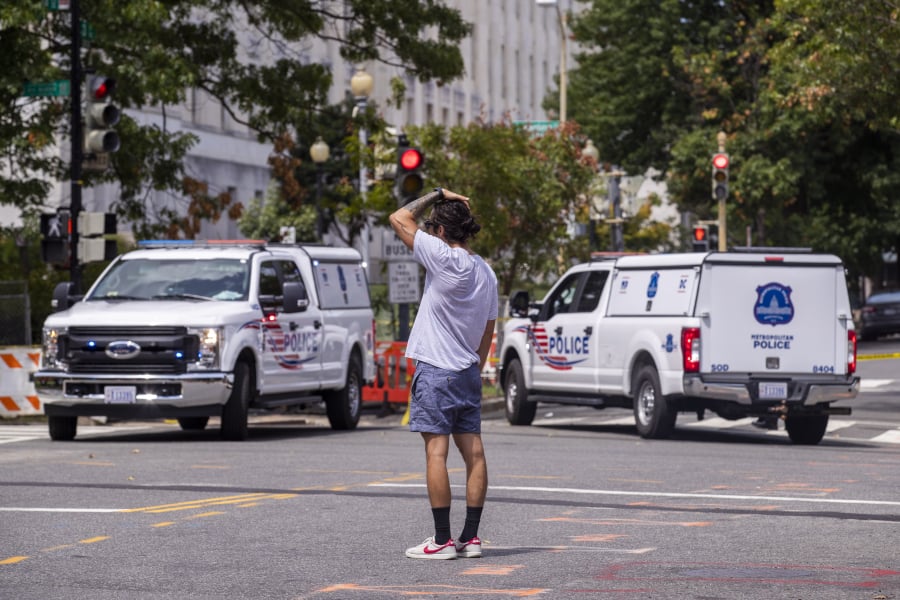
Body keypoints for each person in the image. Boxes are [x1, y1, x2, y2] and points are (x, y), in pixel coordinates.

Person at [389, 187, 498, 560]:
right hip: (468, 370)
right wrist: (474, 366)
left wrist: (436, 193)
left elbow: (399, 218)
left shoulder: (441, 256)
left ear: (438, 231)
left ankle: (441, 541)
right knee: (475, 456)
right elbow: (488, 330)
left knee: (437, 454)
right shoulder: (486, 272)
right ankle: (471, 538)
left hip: (435, 370)